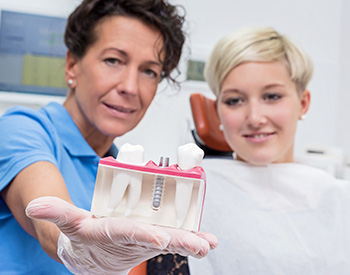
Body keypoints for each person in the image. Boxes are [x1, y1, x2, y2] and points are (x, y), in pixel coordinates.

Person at [0, 0, 218, 274]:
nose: (129, 87)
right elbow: (49, 225)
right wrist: (75, 248)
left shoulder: (121, 170)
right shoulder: (20, 130)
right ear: (71, 66)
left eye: (149, 71)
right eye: (113, 60)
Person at [188, 26, 350, 274]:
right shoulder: (188, 192)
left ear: (303, 103)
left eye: (272, 96)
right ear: (218, 110)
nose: (254, 117)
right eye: (234, 100)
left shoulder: (339, 200)